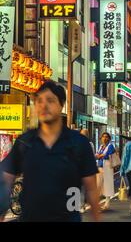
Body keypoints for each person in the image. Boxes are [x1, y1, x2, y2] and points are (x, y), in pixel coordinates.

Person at [0, 81, 100, 222]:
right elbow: (5, 182)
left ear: (62, 104)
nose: (43, 105)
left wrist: (96, 218)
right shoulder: (25, 142)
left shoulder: (78, 143)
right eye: (39, 101)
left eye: (50, 100)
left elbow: (91, 189)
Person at [96, 132, 116, 211]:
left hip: (108, 167)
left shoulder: (110, 146)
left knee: (108, 185)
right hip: (100, 167)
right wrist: (100, 156)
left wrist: (100, 156)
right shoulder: (101, 146)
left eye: (107, 137)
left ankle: (106, 204)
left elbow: (106, 155)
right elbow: (98, 155)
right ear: (101, 138)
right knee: (98, 185)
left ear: (109, 138)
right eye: (103, 137)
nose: (105, 138)